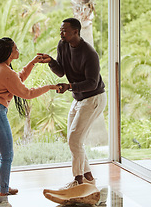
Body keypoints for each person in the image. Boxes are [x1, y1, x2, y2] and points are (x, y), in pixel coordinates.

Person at [0, 37, 60, 196]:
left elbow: (18, 78)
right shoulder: (6, 73)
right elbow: (27, 93)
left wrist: (33, 62)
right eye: (15, 48)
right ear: (9, 53)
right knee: (7, 154)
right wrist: (50, 87)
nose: (18, 50)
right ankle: (3, 193)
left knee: (2, 153)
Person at [38, 18, 106, 189]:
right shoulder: (63, 45)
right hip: (78, 98)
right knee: (75, 140)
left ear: (76, 32)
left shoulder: (89, 54)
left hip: (93, 98)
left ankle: (78, 180)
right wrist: (51, 62)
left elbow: (92, 82)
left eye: (65, 31)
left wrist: (70, 86)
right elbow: (61, 72)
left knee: (74, 140)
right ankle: (89, 178)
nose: (61, 33)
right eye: (61, 30)